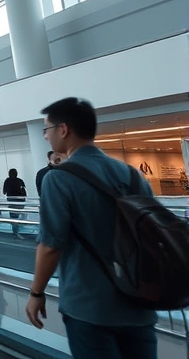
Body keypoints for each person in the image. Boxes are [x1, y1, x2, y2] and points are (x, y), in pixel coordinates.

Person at [26, 98, 156, 359]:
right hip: (139, 302)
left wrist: (36, 292)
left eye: (46, 130)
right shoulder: (131, 174)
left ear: (63, 130)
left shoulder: (59, 178)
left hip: (89, 306)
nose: (46, 137)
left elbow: (51, 246)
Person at [2, 168, 28, 239]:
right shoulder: (20, 180)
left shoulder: (7, 181)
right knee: (19, 217)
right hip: (19, 201)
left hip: (12, 201)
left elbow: (4, 192)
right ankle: (17, 232)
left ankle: (15, 232)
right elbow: (24, 191)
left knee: (14, 217)